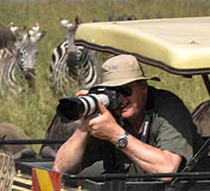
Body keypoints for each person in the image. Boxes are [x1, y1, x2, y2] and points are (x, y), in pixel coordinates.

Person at [50, 54, 199, 177]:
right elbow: (61, 168)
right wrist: (85, 123)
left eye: (126, 90)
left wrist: (115, 134)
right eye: (113, 92)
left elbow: (167, 169)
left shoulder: (167, 107)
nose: (121, 99)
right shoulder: (109, 114)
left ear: (143, 87)